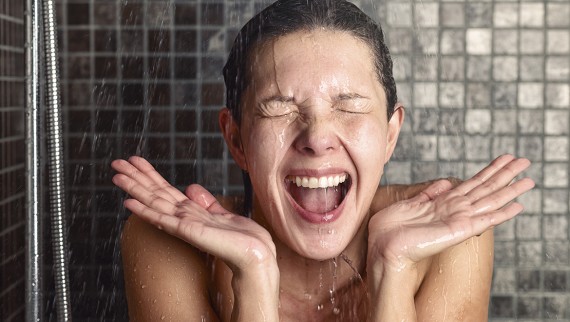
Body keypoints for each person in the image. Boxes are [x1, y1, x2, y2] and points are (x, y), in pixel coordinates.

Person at [111, 0, 535, 321]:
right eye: (278, 107)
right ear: (236, 139)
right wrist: (254, 280)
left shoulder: (450, 230)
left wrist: (395, 271)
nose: (316, 137)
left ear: (390, 135)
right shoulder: (172, 239)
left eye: (349, 107)